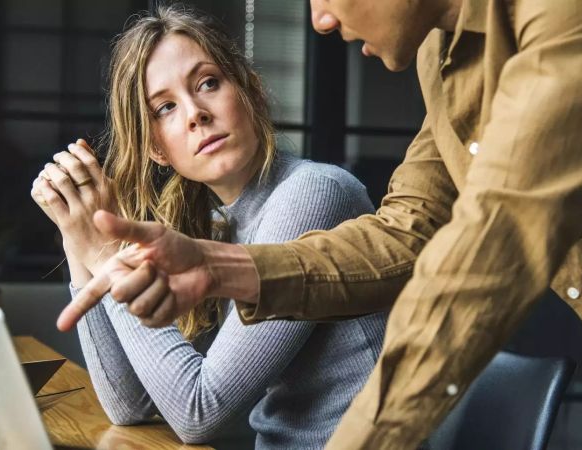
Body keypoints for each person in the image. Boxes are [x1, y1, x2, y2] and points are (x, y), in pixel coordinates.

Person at [60, 0, 582, 448]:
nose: (321, 20)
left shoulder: (575, 8)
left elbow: (498, 237)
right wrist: (219, 268)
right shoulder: (442, 58)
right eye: (164, 109)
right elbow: (408, 232)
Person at [32, 5, 388, 448]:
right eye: (164, 107)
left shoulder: (314, 193)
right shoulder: (218, 224)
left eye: (208, 83)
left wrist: (106, 254)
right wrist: (77, 235)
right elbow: (131, 405)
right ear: (157, 150)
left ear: (250, 92)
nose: (194, 113)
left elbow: (198, 413)